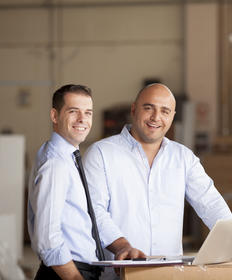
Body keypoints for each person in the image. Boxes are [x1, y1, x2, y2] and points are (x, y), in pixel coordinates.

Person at [83, 83, 232, 280]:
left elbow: (209, 201)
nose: (156, 117)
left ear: (172, 116)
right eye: (149, 108)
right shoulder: (101, 153)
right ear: (133, 109)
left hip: (168, 273)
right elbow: (94, 210)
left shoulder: (183, 157)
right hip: (118, 274)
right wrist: (122, 246)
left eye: (165, 111)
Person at [27, 84, 144, 280]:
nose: (83, 120)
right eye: (74, 112)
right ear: (55, 116)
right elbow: (47, 240)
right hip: (66, 273)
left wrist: (122, 245)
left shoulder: (66, 158)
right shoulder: (56, 164)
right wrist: (74, 277)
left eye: (88, 113)